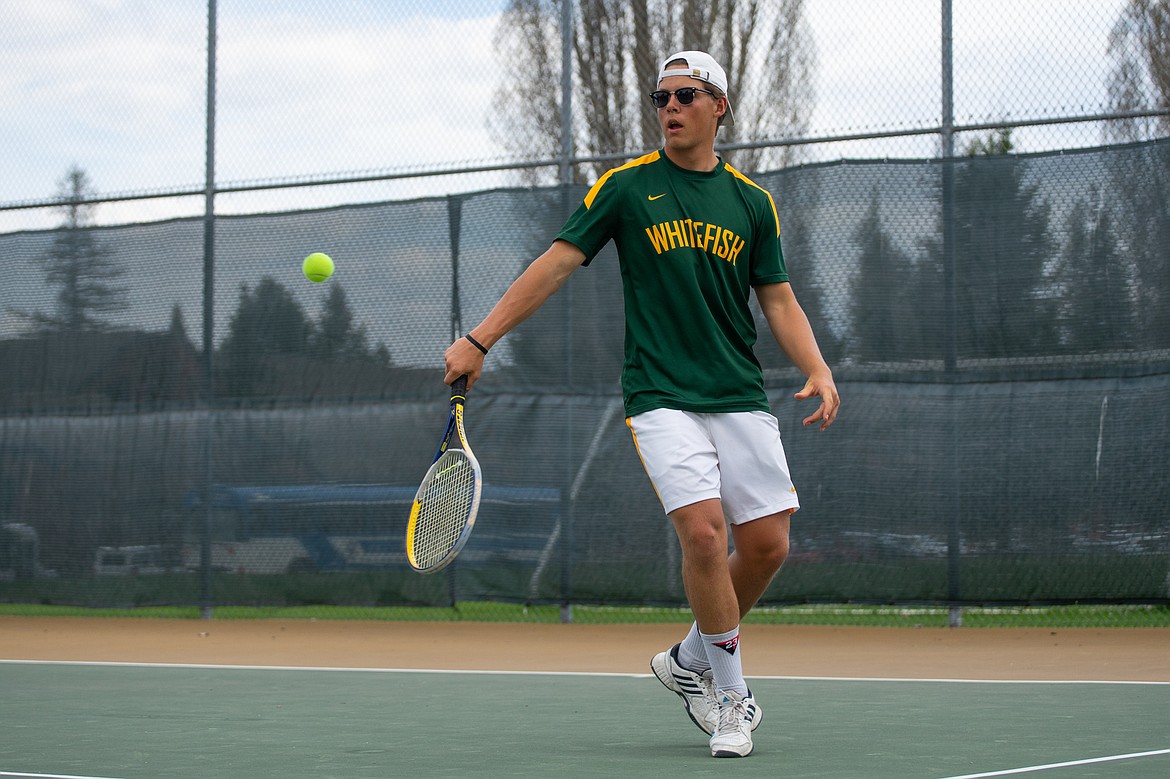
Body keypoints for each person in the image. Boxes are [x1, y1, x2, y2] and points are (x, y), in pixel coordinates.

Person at [444, 50, 840, 758]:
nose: (669, 108)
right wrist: (481, 338)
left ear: (719, 105)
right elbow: (557, 261)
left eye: (685, 95)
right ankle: (729, 697)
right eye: (660, 97)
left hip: (738, 393)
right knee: (703, 535)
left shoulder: (752, 202)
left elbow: (777, 297)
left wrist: (815, 365)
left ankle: (690, 658)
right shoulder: (627, 189)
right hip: (659, 395)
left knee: (769, 544)